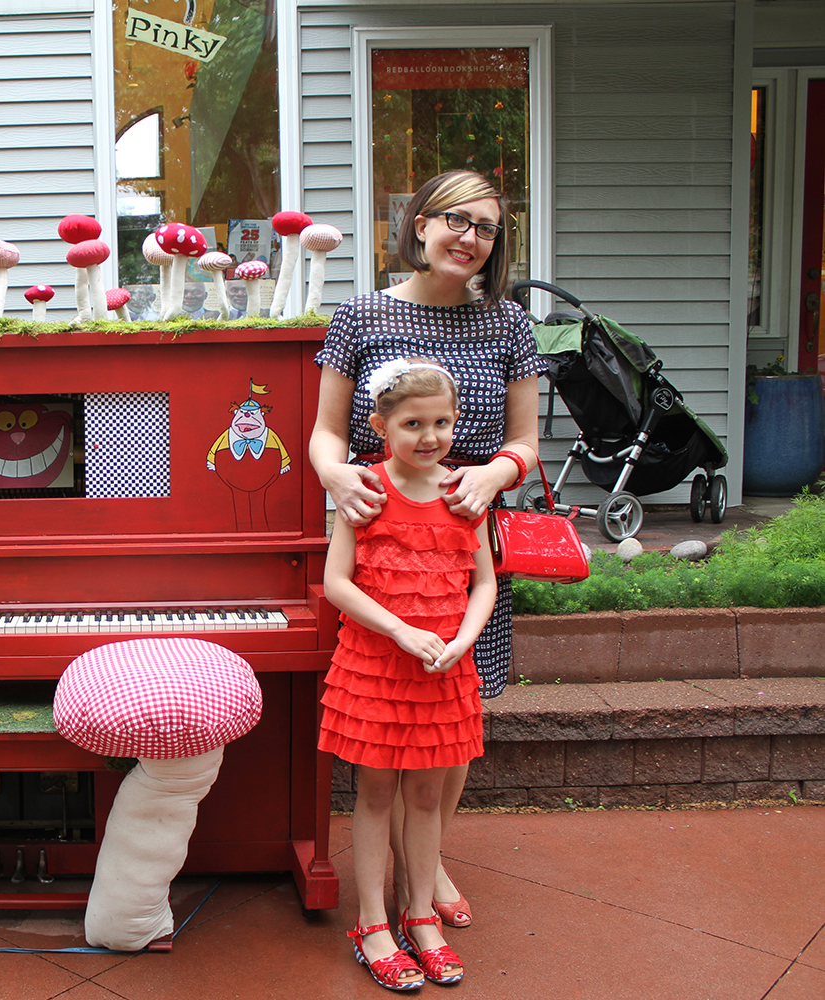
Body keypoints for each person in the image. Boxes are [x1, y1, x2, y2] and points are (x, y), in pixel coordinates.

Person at [308, 169, 543, 931]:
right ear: (418, 224)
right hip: (380, 523)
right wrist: (338, 476)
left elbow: (526, 442)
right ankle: (402, 885)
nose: (469, 238)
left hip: (462, 526)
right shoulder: (362, 312)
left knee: (457, 712)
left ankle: (429, 856)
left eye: (486, 228)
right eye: (455, 220)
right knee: (391, 703)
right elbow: (327, 431)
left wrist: (496, 474)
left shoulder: (507, 322)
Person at [320, 358, 496, 990]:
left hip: (445, 668)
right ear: (381, 426)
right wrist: (399, 629)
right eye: (414, 423)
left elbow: (484, 584)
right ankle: (372, 923)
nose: (430, 436)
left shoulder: (464, 493)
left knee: (426, 796)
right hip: (376, 669)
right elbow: (336, 583)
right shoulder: (365, 490)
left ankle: (420, 916)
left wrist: (463, 639)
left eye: (442, 422)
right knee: (374, 795)